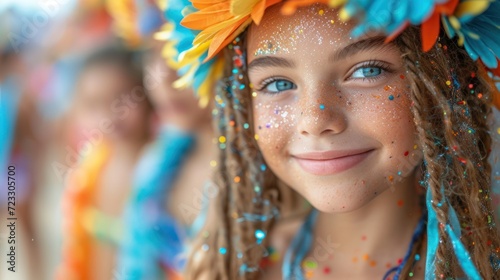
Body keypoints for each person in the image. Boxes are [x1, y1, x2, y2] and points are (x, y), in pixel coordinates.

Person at [162, 0, 500, 279]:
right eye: (278, 84)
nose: (316, 120)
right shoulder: (232, 268)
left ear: (445, 82)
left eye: (368, 70)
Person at [57, 45, 153, 280]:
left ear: (147, 93)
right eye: (94, 104)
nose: (110, 115)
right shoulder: (92, 165)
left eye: (123, 99)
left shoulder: (158, 166)